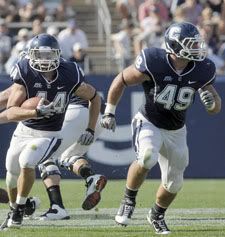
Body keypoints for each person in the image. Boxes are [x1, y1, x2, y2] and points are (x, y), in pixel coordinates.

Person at [100, 22, 221, 234]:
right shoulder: (154, 61)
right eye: (190, 43)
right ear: (174, 45)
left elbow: (215, 107)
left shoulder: (204, 68)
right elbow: (121, 80)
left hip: (177, 130)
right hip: (149, 120)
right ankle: (128, 200)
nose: (196, 47)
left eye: (196, 42)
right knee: (147, 156)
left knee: (175, 183)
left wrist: (213, 104)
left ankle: (156, 214)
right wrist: (109, 111)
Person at [0, 33, 103, 229]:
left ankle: (19, 212)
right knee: (11, 174)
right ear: (31, 55)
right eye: (39, 55)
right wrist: (34, 111)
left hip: (50, 133)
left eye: (49, 55)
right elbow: (11, 109)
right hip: (25, 129)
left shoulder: (69, 73)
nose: (44, 60)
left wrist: (91, 127)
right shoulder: (25, 71)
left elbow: (94, 97)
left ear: (58, 55)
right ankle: (16, 207)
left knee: (27, 161)